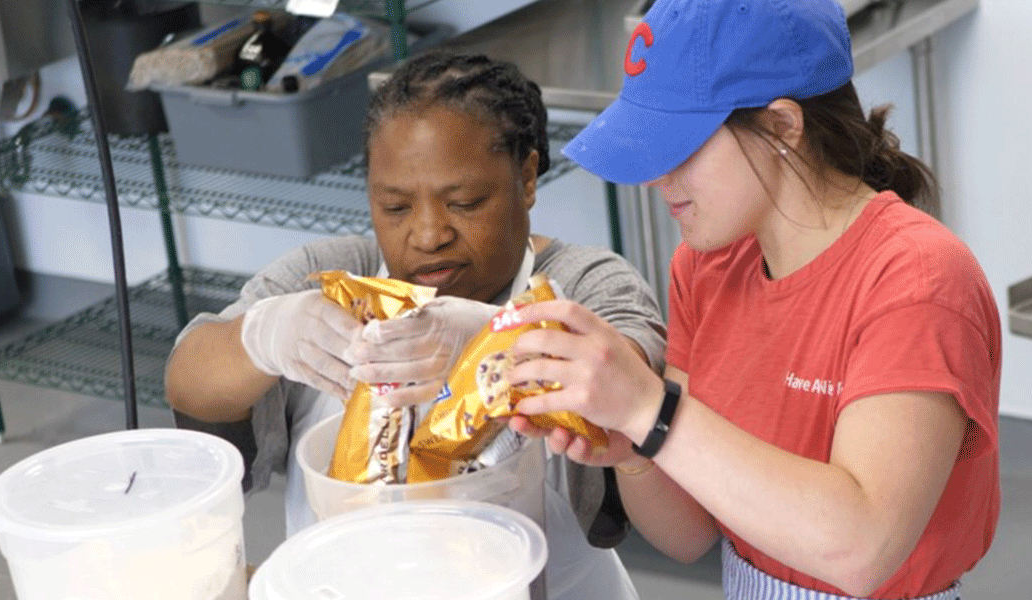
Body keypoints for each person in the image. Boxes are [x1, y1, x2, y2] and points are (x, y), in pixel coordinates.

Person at [498, 1, 1002, 599]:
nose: (658, 176)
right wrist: (634, 450)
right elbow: (689, 537)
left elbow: (862, 549)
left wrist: (649, 409)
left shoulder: (917, 279)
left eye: (681, 144)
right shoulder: (708, 266)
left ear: (784, 126)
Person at [164, 50, 664, 600]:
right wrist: (261, 338)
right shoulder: (329, 279)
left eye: (465, 202)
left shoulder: (584, 280)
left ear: (525, 179)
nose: (428, 235)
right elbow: (191, 380)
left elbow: (635, 385)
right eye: (396, 208)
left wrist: (492, 340)